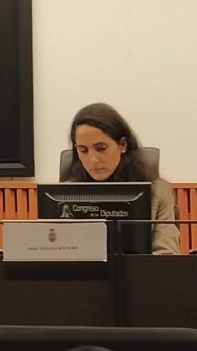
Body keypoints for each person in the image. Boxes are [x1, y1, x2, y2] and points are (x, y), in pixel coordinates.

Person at [65, 103, 179, 255]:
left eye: (101, 148)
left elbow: (166, 256)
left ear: (122, 145)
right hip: (83, 277)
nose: (92, 159)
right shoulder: (65, 194)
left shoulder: (158, 190)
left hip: (142, 276)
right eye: (83, 150)